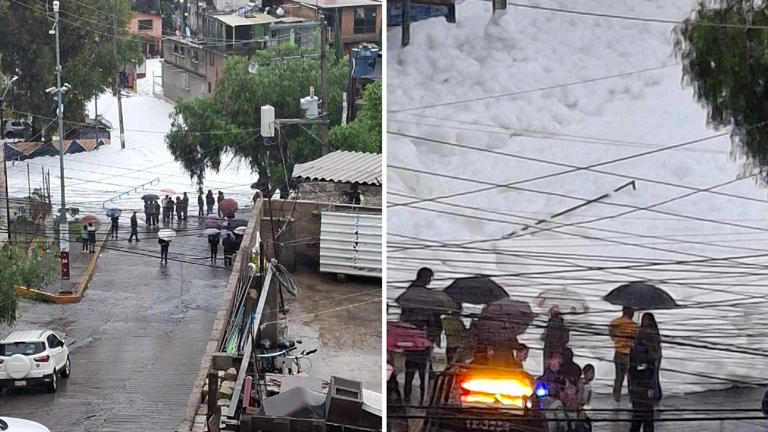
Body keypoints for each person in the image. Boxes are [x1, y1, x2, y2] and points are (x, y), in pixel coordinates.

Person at [628, 321, 658, 432]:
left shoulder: (634, 350)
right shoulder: (644, 352)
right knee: (646, 419)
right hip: (643, 390)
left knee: (637, 418)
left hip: (637, 390)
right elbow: (648, 370)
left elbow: (632, 371)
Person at [610, 306, 639, 403]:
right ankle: (632, 399)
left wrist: (617, 340)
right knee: (631, 378)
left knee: (618, 378)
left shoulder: (615, 323)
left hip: (618, 352)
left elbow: (611, 334)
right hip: (629, 354)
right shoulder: (634, 325)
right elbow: (636, 339)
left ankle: (616, 399)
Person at [639, 313, 663, 405]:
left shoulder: (650, 331)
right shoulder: (647, 331)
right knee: (651, 378)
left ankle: (655, 398)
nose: (645, 322)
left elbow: (654, 345)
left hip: (653, 356)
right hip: (650, 356)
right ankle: (654, 397)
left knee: (653, 378)